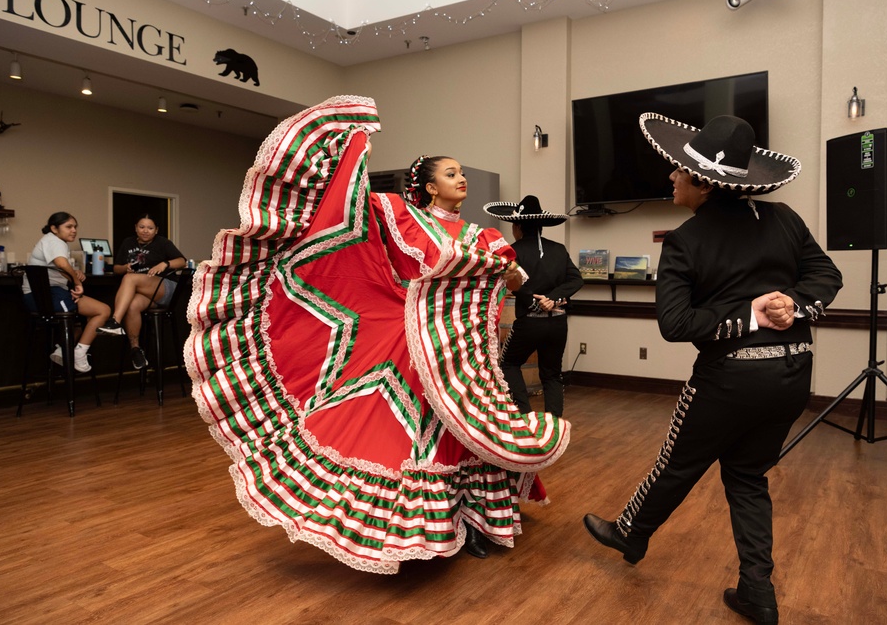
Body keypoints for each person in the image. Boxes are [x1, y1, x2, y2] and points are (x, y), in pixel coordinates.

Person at [186, 95, 569, 574]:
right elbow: (345, 214)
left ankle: (476, 518)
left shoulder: (484, 237)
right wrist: (349, 147)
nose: (461, 179)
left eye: (461, 173)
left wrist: (501, 276)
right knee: (424, 432)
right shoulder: (401, 214)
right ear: (429, 187)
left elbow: (515, 282)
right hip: (408, 344)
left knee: (467, 428)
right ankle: (435, 522)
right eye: (451, 173)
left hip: (467, 351)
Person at [582, 113, 843, 624]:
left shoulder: (684, 240)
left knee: (678, 463)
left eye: (678, 170)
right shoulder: (784, 218)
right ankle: (757, 593)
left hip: (729, 381)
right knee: (747, 476)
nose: (672, 177)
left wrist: (754, 313)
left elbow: (675, 324)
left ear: (702, 181)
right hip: (792, 377)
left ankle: (631, 534)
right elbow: (826, 276)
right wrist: (794, 303)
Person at [484, 196, 583, 417]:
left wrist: (533, 302)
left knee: (508, 364)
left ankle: (525, 416)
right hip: (558, 323)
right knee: (552, 374)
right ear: (540, 226)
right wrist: (553, 299)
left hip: (529, 323)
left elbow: (511, 283)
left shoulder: (512, 251)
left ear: (517, 226)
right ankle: (554, 425)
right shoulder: (558, 249)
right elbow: (576, 280)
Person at [22, 212, 112, 372]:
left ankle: (63, 350)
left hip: (44, 295)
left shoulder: (52, 241)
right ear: (54, 228)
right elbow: (61, 263)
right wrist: (77, 283)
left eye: (75, 227)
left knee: (81, 320)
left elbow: (57, 268)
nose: (74, 230)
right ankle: (79, 353)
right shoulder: (55, 241)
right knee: (102, 311)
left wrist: (74, 272)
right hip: (46, 297)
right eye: (69, 227)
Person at [98, 214, 185, 370]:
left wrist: (164, 264)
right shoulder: (128, 242)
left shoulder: (163, 243)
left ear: (156, 230)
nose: (146, 231)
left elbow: (182, 261)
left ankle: (115, 321)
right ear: (136, 228)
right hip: (144, 292)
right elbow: (117, 268)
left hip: (164, 288)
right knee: (132, 305)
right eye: (142, 227)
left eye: (150, 228)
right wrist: (125, 268)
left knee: (130, 279)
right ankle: (136, 349)